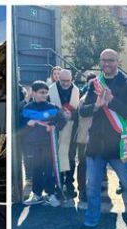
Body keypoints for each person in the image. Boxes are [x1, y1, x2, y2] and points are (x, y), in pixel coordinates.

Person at [74, 49, 127, 229]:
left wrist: (111, 101)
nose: (106, 64)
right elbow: (83, 111)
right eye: (103, 60)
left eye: (110, 60)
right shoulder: (94, 83)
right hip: (96, 143)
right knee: (92, 186)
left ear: (118, 61)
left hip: (117, 143)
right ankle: (91, 221)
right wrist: (97, 105)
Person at [19, 80, 66, 206]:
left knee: (49, 169)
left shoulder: (53, 107)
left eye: (46, 92)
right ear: (33, 93)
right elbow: (20, 126)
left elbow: (62, 121)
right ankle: (37, 195)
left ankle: (51, 194)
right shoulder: (26, 108)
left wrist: (54, 126)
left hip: (48, 144)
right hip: (33, 145)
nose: (44, 95)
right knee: (36, 170)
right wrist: (27, 124)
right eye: (41, 92)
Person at [49, 69, 80, 198]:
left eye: (68, 81)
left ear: (72, 79)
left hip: (72, 129)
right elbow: (47, 109)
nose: (66, 83)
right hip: (56, 129)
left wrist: (71, 114)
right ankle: (59, 184)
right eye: (63, 81)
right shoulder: (51, 90)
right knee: (58, 157)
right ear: (58, 79)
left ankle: (69, 183)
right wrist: (61, 115)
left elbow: (81, 111)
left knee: (71, 158)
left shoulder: (78, 91)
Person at [73, 74, 97, 202]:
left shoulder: (92, 98)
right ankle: (82, 190)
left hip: (94, 137)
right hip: (85, 137)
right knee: (83, 165)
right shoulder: (85, 99)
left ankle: (89, 189)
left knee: (94, 165)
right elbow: (83, 113)